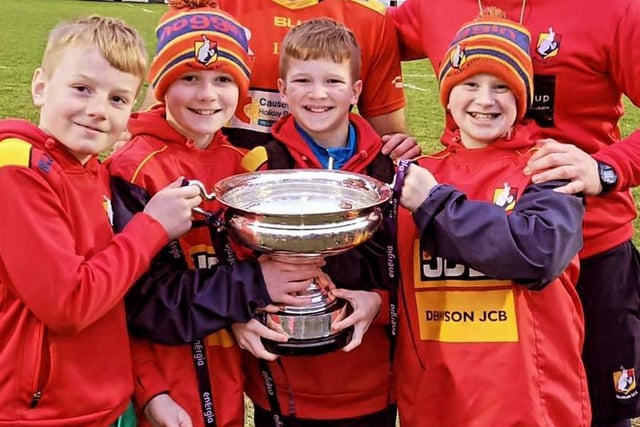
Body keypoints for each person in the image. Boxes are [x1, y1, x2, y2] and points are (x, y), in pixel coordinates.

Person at [389, 1, 640, 426]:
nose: (485, 99)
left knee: (599, 411)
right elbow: (349, 40)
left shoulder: (617, 9)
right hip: (457, 254)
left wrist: (607, 167)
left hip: (586, 248)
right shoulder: (431, 7)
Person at [105, 2, 322, 426]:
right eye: (189, 78)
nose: (207, 95)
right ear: (163, 85)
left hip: (227, 376)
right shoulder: (132, 168)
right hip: (168, 388)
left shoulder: (246, 163)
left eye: (223, 79)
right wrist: (151, 389)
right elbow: (133, 303)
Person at [0, 15, 200, 427]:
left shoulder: (97, 172)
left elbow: (116, 298)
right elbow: (69, 304)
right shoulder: (17, 170)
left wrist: (146, 388)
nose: (96, 110)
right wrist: (154, 226)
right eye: (81, 89)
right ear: (40, 86)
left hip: (110, 404)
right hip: (43, 415)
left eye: (117, 99)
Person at [233, 17, 398, 427]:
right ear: (283, 90)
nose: (318, 94)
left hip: (371, 384)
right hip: (283, 387)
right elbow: (233, 265)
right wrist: (239, 314)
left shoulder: (392, 171)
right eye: (303, 81)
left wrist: (380, 305)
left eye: (334, 81)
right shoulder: (259, 167)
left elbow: (404, 269)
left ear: (356, 91)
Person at [138, 0, 420, 160]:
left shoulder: (372, 19)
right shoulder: (206, 6)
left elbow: (389, 138)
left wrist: (400, 148)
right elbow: (153, 117)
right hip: (214, 189)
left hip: (319, 193)